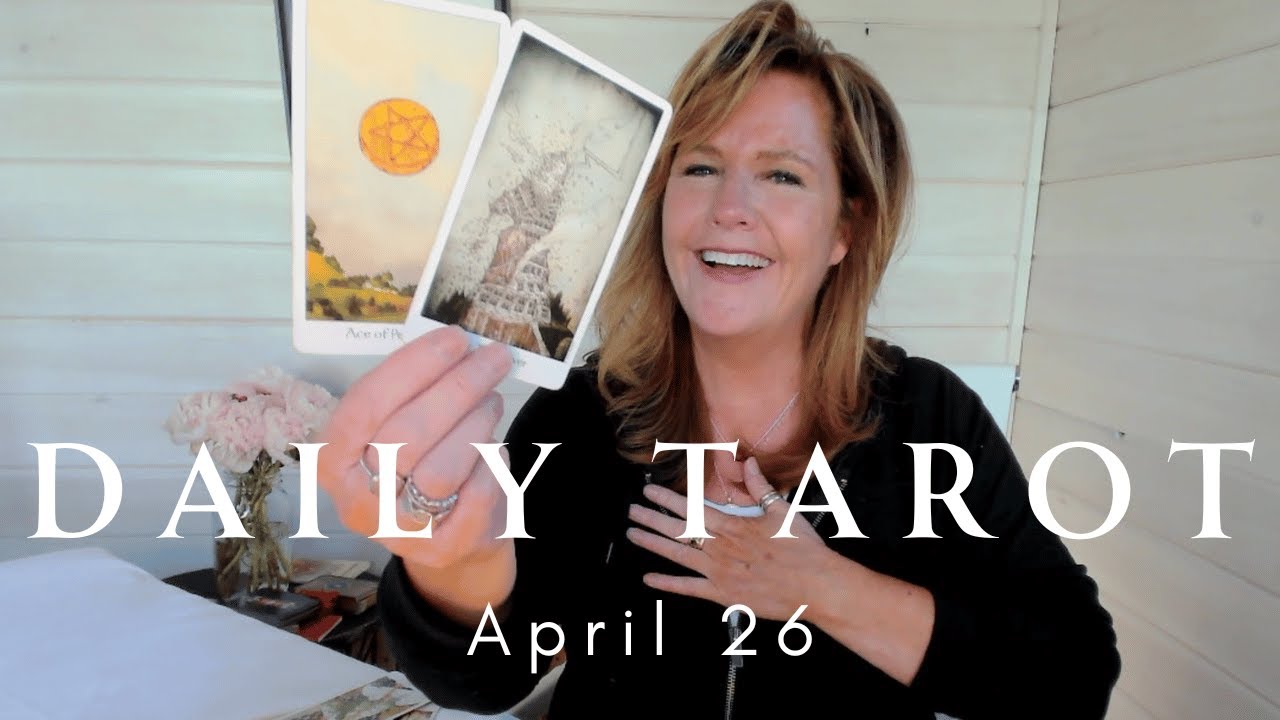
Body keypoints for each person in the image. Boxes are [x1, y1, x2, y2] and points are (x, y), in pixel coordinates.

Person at [315, 2, 1122, 717]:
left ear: (844, 230)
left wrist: (821, 588)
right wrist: (453, 560)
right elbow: (484, 680)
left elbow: (1074, 675)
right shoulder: (585, 411)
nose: (730, 208)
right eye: (700, 167)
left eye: (782, 175)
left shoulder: (929, 414)